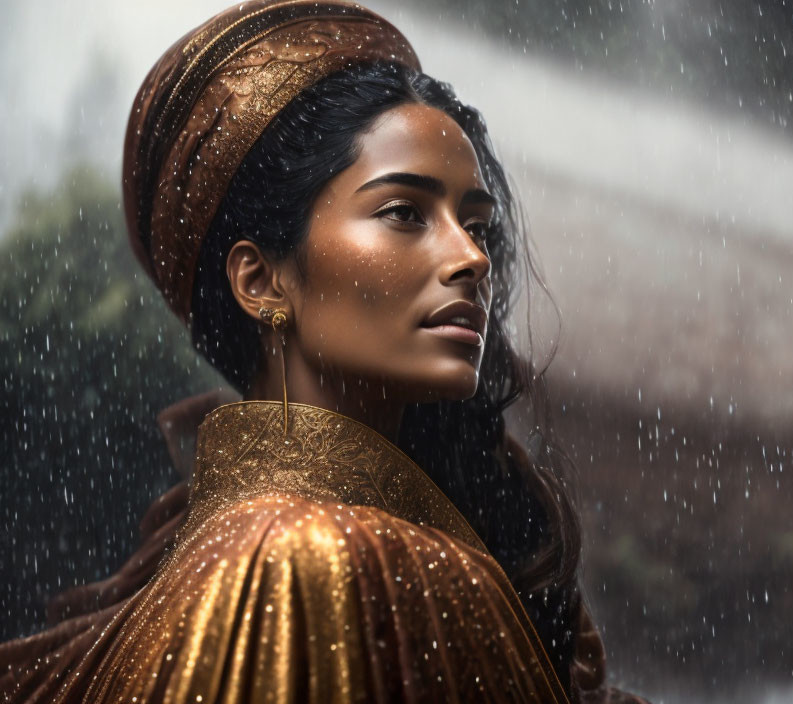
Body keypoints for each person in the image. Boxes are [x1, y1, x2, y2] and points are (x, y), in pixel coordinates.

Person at [0, 1, 647, 702]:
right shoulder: (311, 560)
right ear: (261, 280)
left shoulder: (250, 547)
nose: (472, 259)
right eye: (404, 212)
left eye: (478, 227)